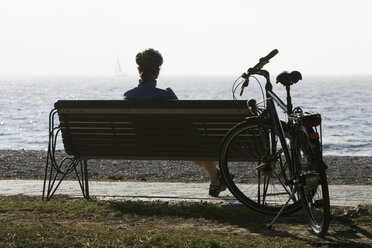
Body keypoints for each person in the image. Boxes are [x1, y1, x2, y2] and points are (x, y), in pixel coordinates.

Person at [124, 48, 227, 197]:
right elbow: (185, 121)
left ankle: (216, 179)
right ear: (157, 72)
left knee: (192, 144)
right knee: (202, 145)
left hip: (145, 145)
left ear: (138, 69)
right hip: (175, 145)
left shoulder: (128, 96)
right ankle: (215, 180)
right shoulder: (167, 95)